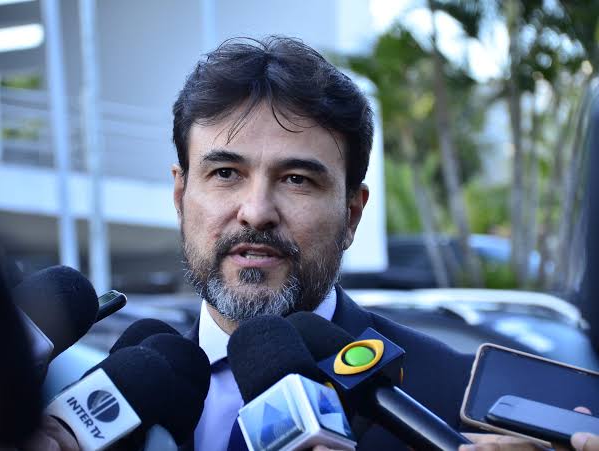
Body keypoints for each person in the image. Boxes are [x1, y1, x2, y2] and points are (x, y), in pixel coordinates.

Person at [171, 35, 473, 451]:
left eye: (297, 180)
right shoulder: (106, 407)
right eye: (225, 173)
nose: (257, 212)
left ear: (352, 214)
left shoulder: (455, 402)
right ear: (180, 196)